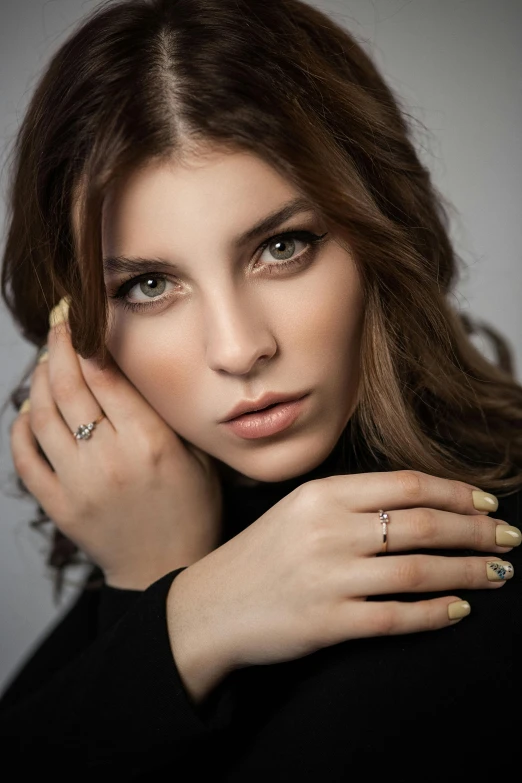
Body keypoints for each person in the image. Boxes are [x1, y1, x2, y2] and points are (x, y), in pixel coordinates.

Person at [0, 0, 521, 779]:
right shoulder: (159, 529)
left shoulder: (464, 598)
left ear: (382, 227)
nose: (240, 348)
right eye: (148, 284)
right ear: (77, 327)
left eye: (283, 246)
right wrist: (175, 604)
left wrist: (158, 604)